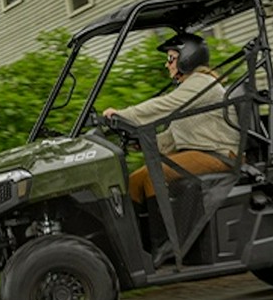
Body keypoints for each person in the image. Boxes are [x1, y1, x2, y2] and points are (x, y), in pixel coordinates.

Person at [102, 32, 239, 206]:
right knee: (134, 181)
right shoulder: (190, 86)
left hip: (220, 155)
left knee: (152, 176)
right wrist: (142, 142)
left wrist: (121, 115)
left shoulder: (202, 82)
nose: (167, 64)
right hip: (202, 153)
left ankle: (161, 232)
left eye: (171, 58)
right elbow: (175, 137)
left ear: (187, 58)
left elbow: (163, 105)